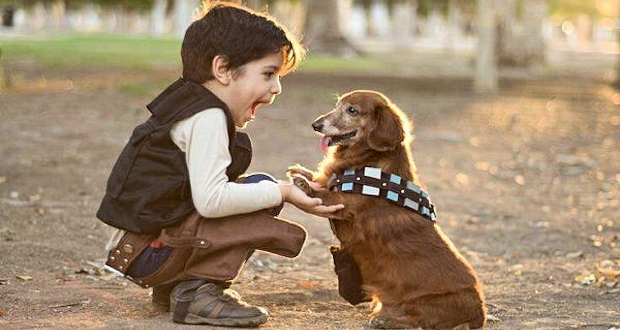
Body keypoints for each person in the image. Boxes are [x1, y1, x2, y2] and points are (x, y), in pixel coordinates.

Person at [96, 2, 343, 327]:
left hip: (144, 249)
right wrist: (282, 191)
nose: (277, 88)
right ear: (223, 69)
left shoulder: (189, 103)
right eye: (269, 73)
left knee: (256, 187)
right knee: (261, 192)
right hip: (148, 256)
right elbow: (211, 202)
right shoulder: (208, 118)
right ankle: (196, 293)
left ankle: (175, 287)